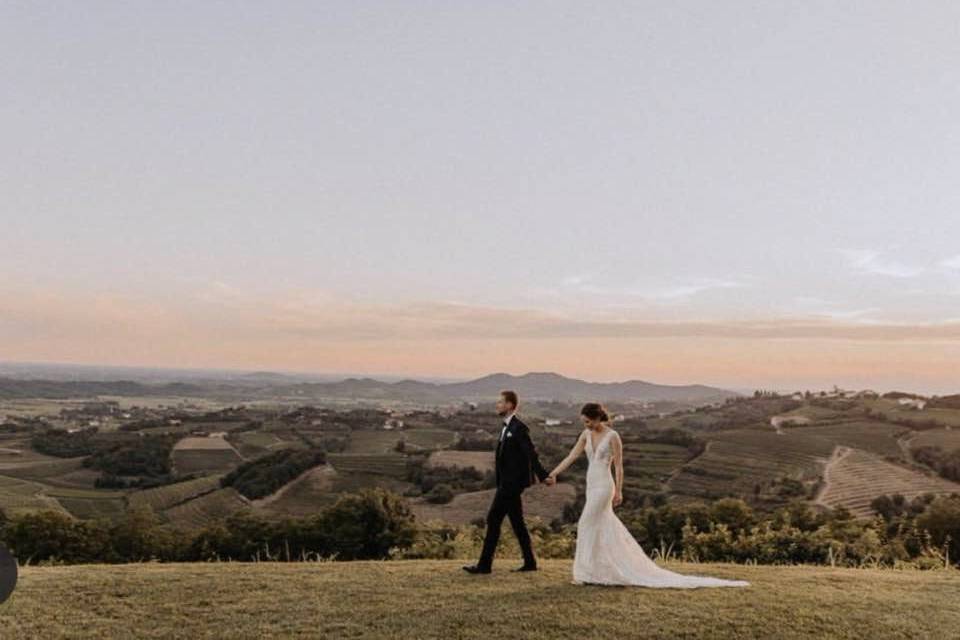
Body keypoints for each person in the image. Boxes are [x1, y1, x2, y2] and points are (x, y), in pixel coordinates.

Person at [548, 402, 750, 588]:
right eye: (584, 422)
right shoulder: (585, 434)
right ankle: (595, 571)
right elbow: (572, 456)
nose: (586, 425)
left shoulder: (613, 436)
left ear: (598, 418)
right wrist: (555, 473)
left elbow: (619, 467)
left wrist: (619, 490)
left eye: (588, 421)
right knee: (599, 526)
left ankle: (584, 573)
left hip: (604, 486)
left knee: (585, 523)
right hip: (591, 485)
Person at [463, 390, 555, 574]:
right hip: (506, 483)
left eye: (500, 402)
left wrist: (543, 475)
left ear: (510, 405)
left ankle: (484, 565)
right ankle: (530, 562)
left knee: (493, 519)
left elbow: (531, 454)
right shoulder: (507, 427)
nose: (497, 405)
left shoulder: (519, 428)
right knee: (517, 523)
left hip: (511, 485)